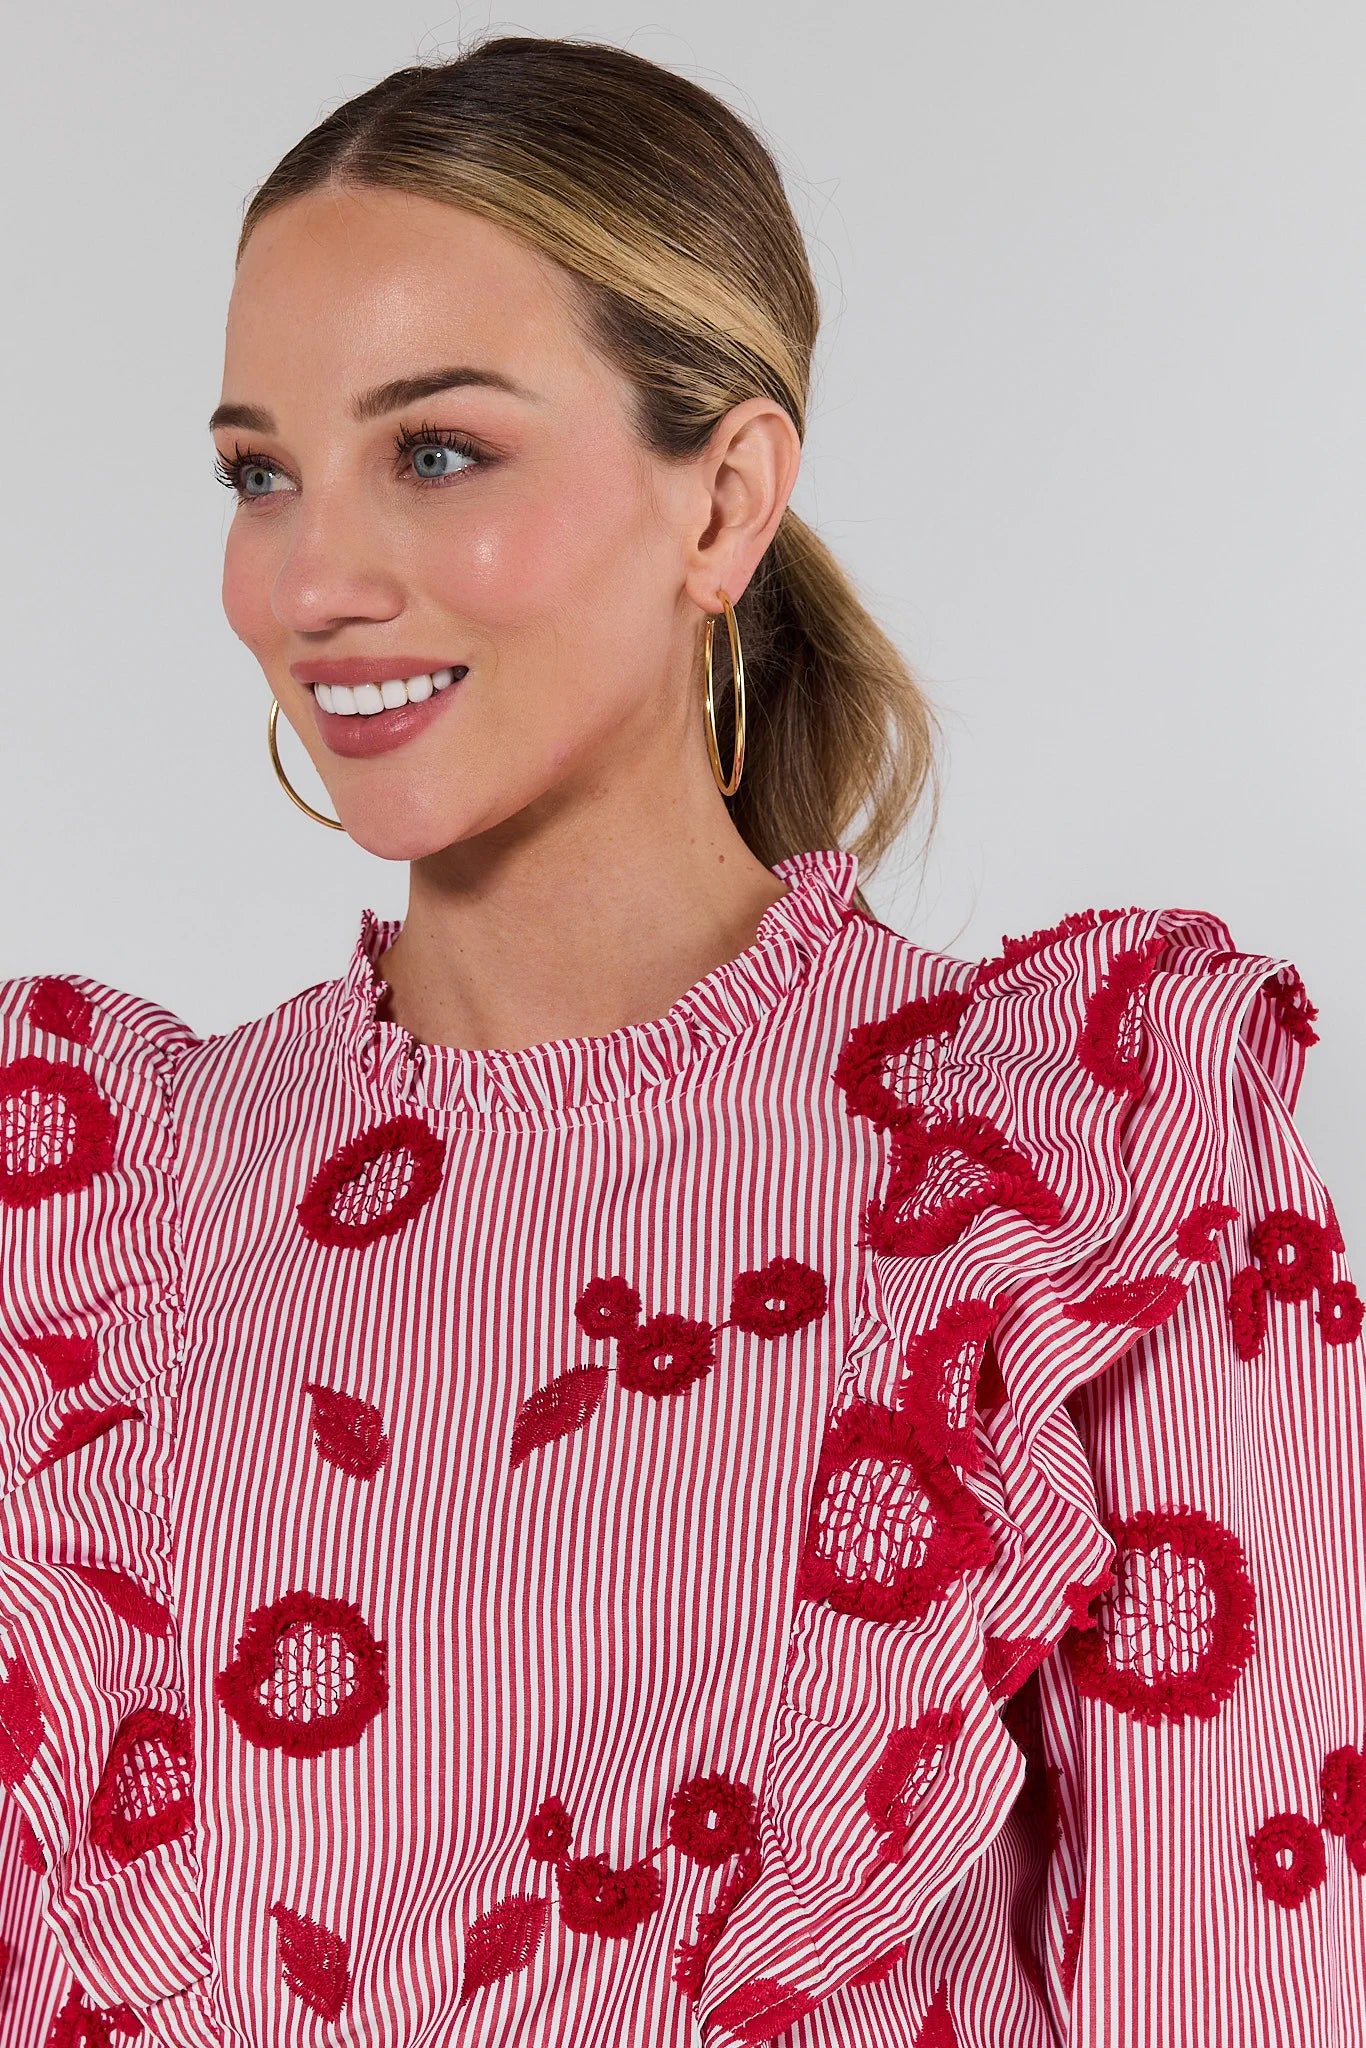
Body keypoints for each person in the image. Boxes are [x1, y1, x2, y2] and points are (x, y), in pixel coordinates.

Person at [0, 33, 1361, 2048]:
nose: (311, 580)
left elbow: (1240, 1988)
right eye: (259, 473)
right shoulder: (95, 1221)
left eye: (434, 450)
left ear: (722, 500)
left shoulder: (1086, 1169)